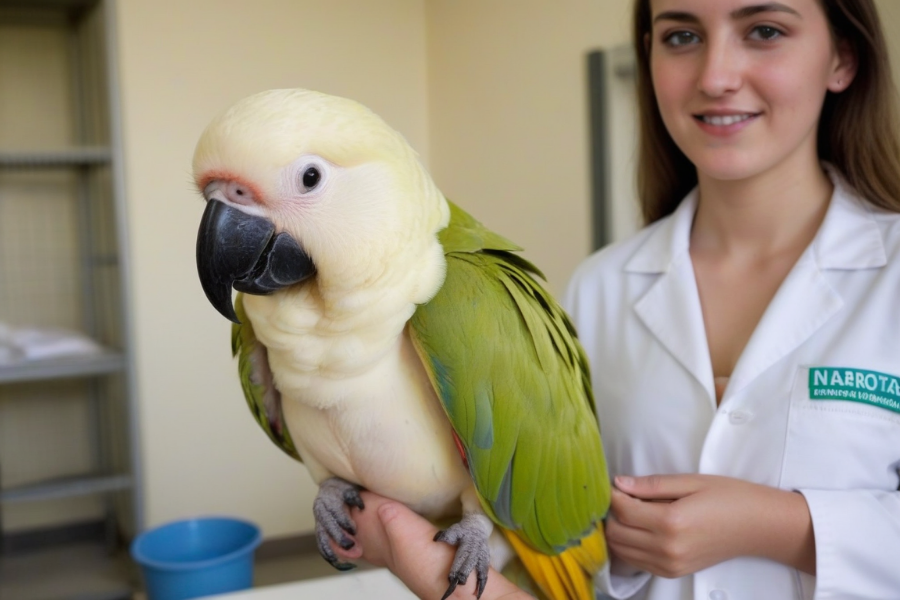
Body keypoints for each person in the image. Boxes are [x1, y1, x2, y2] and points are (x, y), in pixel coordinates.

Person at [334, 0, 900, 598]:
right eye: (681, 36)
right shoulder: (598, 287)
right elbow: (552, 532)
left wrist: (783, 527)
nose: (715, 76)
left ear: (842, 58)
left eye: (764, 30)